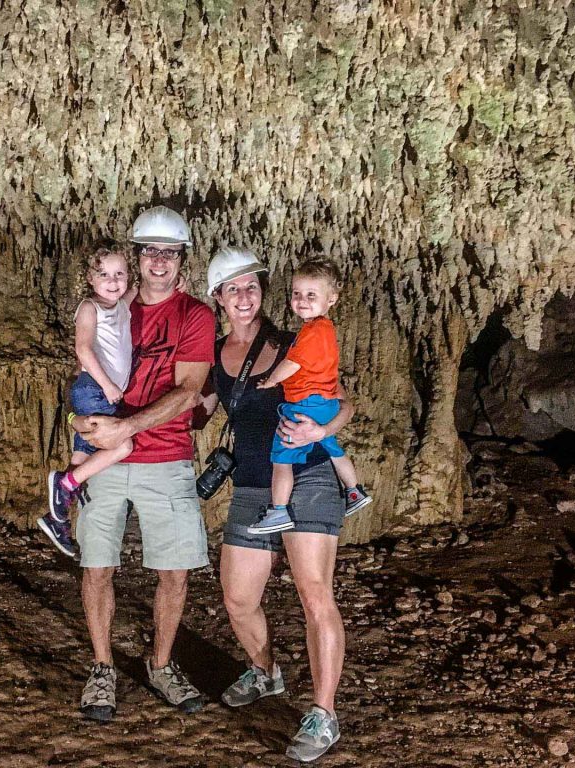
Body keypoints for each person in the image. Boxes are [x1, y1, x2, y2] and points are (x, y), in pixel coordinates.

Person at [196, 246, 353, 763]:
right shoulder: (216, 356)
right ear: (217, 297)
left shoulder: (296, 340)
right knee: (238, 598)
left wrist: (323, 428)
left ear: (262, 292)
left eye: (251, 286)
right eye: (232, 288)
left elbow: (345, 400)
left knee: (314, 595)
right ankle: (265, 673)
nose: (244, 296)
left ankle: (323, 713)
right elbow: (197, 409)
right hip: (252, 485)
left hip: (307, 475)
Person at [71, 205, 215, 723]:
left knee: (174, 571)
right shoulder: (113, 303)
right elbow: (86, 359)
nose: (159, 260)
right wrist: (88, 422)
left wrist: (124, 429)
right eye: (150, 251)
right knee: (97, 565)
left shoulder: (195, 315)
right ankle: (103, 667)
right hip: (104, 456)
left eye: (169, 252)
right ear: (137, 257)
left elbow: (190, 390)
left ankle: (160, 664)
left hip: (166, 455)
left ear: (181, 259)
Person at [247, 259, 371, 535]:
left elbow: (293, 363)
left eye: (311, 295)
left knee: (281, 459)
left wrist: (271, 381)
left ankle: (279, 510)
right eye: (297, 294)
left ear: (332, 299)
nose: (302, 301)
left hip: (306, 404)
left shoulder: (313, 332)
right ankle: (354, 491)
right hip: (325, 404)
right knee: (334, 449)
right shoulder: (324, 330)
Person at [38, 245, 138, 558]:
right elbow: (83, 349)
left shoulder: (121, 304)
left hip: (98, 389)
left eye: (119, 274)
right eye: (104, 274)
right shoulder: (89, 308)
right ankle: (64, 485)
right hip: (94, 387)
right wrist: (108, 385)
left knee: (83, 453)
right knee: (123, 445)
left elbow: (138, 292)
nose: (113, 280)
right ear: (90, 279)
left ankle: (57, 520)